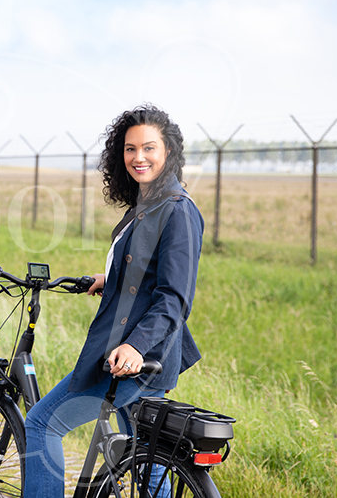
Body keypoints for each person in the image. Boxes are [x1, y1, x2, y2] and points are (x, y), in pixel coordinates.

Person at [23, 104, 204, 497]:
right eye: (129, 149)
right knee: (148, 458)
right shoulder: (148, 204)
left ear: (169, 151)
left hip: (133, 357)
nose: (138, 157)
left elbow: (174, 296)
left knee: (41, 424)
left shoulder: (178, 210)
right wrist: (113, 278)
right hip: (144, 355)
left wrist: (136, 347)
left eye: (149, 148)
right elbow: (150, 271)